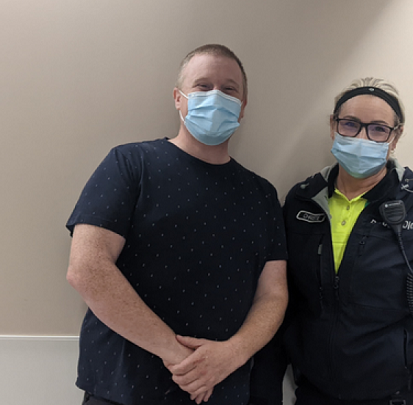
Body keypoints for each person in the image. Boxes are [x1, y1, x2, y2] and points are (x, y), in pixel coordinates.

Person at [65, 44, 288, 405]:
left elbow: (273, 293)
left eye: (229, 89)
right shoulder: (130, 165)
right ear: (178, 98)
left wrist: (231, 354)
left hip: (223, 388)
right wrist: (179, 356)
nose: (216, 95)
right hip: (125, 388)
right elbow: (86, 268)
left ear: (243, 108)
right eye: (202, 86)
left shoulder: (261, 194)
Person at [250, 78, 413, 405]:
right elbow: (280, 304)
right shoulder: (302, 201)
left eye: (378, 129)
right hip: (316, 392)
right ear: (333, 126)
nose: (362, 137)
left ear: (396, 136)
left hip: (399, 393)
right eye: (350, 125)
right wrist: (264, 393)